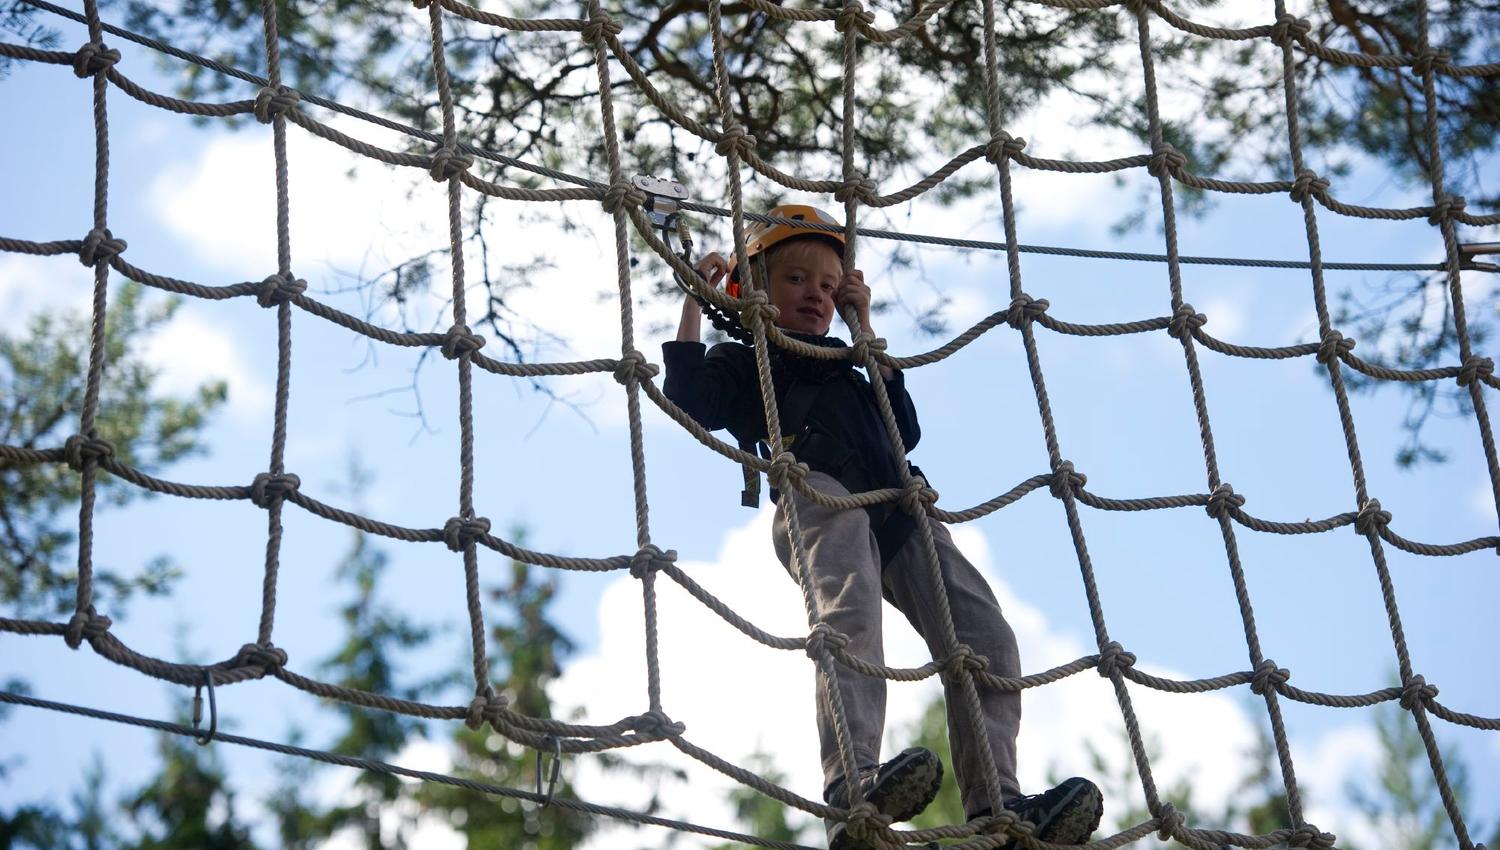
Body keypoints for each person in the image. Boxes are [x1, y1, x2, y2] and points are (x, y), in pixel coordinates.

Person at [661, 205, 1103, 850]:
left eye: (827, 284)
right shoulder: (747, 358)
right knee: (852, 611)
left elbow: (905, 427)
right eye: (794, 279)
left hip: (897, 504)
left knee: (985, 635)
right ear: (754, 291)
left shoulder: (850, 362)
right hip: (818, 491)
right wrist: (697, 301)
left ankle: (998, 806)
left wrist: (861, 326)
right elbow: (690, 394)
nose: (814, 293)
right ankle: (853, 782)